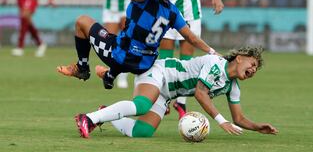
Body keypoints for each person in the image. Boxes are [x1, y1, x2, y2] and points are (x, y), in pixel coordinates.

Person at [57, 0, 217, 90]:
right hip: (145, 64)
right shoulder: (172, 11)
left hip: (121, 56)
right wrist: (211, 51)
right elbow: (191, 37)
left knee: (82, 21)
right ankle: (109, 76)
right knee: (127, 39)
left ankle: (82, 68)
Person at [73, 46, 278, 139]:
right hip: (159, 72)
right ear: (240, 57)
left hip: (166, 93)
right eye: (252, 64)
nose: (252, 70)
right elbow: (200, 93)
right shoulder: (216, 63)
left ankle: (107, 113)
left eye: (255, 70)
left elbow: (239, 118)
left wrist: (258, 127)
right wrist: (220, 120)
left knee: (142, 133)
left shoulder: (232, 86)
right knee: (142, 105)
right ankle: (89, 118)